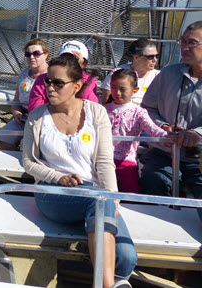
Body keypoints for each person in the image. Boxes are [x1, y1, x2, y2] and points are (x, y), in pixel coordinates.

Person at [22, 56, 137, 288]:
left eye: (58, 83)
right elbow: (27, 162)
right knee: (97, 202)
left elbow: (105, 162)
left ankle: (109, 280)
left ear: (76, 85)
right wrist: (58, 177)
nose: (50, 87)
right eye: (47, 82)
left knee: (126, 257)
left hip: (95, 194)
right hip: (52, 191)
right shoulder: (37, 117)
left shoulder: (96, 112)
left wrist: (113, 199)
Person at [140, 21, 202, 219]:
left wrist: (196, 134)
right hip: (164, 152)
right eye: (182, 41)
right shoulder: (167, 74)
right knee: (154, 181)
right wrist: (163, 127)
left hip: (200, 159)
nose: (184, 47)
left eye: (191, 42)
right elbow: (147, 109)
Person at [105, 69, 170, 193]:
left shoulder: (139, 112)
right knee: (102, 193)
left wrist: (167, 137)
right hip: (103, 159)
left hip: (126, 161)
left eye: (122, 89)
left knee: (131, 194)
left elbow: (153, 129)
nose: (117, 93)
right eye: (113, 88)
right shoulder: (103, 110)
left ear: (135, 90)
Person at [0, 39, 49, 150]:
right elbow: (16, 101)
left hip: (42, 120)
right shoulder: (24, 74)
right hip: (24, 119)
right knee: (4, 137)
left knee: (26, 145)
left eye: (36, 53)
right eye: (28, 54)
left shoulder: (52, 75)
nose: (31, 57)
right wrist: (17, 113)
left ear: (45, 55)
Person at [28, 40, 98, 113]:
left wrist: (77, 71)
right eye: (64, 57)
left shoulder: (88, 80)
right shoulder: (42, 79)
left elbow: (89, 108)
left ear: (83, 63)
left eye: (74, 59)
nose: (68, 62)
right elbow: (35, 111)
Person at [100, 38, 159, 105]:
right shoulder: (118, 73)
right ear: (136, 58)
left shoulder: (158, 76)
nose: (155, 60)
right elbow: (106, 100)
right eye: (150, 57)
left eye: (156, 56)